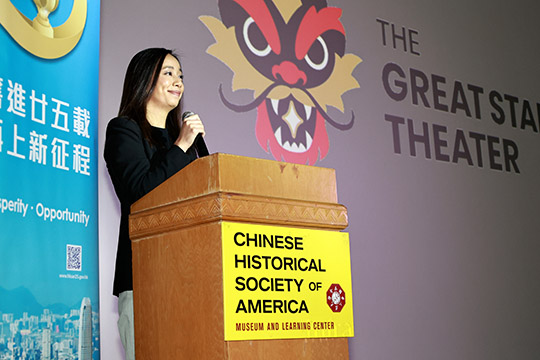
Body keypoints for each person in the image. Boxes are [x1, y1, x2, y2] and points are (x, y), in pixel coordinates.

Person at [104, 48, 205, 360]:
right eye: (169, 73)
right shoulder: (123, 130)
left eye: (181, 76)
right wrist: (182, 145)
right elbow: (140, 193)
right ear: (144, 79)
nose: (178, 81)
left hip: (192, 276)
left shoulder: (183, 139)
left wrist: (185, 144)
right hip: (144, 277)